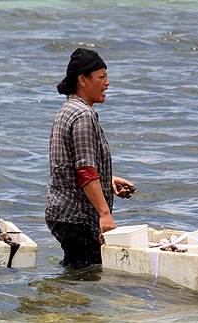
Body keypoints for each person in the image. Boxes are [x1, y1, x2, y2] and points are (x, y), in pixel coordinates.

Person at [45, 48, 136, 268]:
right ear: (82, 79)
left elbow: (71, 166)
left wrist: (107, 180)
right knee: (87, 277)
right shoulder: (83, 115)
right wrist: (105, 214)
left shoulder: (68, 109)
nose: (107, 83)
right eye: (102, 77)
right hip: (77, 217)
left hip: (63, 214)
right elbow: (84, 170)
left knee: (75, 274)